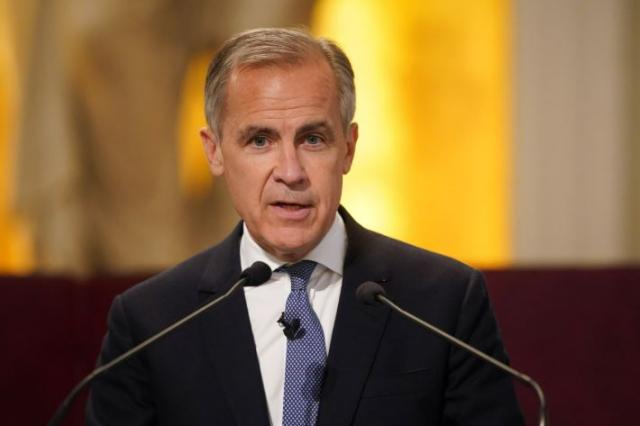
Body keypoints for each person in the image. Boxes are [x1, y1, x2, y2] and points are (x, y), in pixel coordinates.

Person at [87, 27, 523, 426]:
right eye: (260, 140)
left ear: (348, 148)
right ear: (214, 151)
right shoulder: (151, 323)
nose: (290, 172)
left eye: (313, 139)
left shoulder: (443, 303)